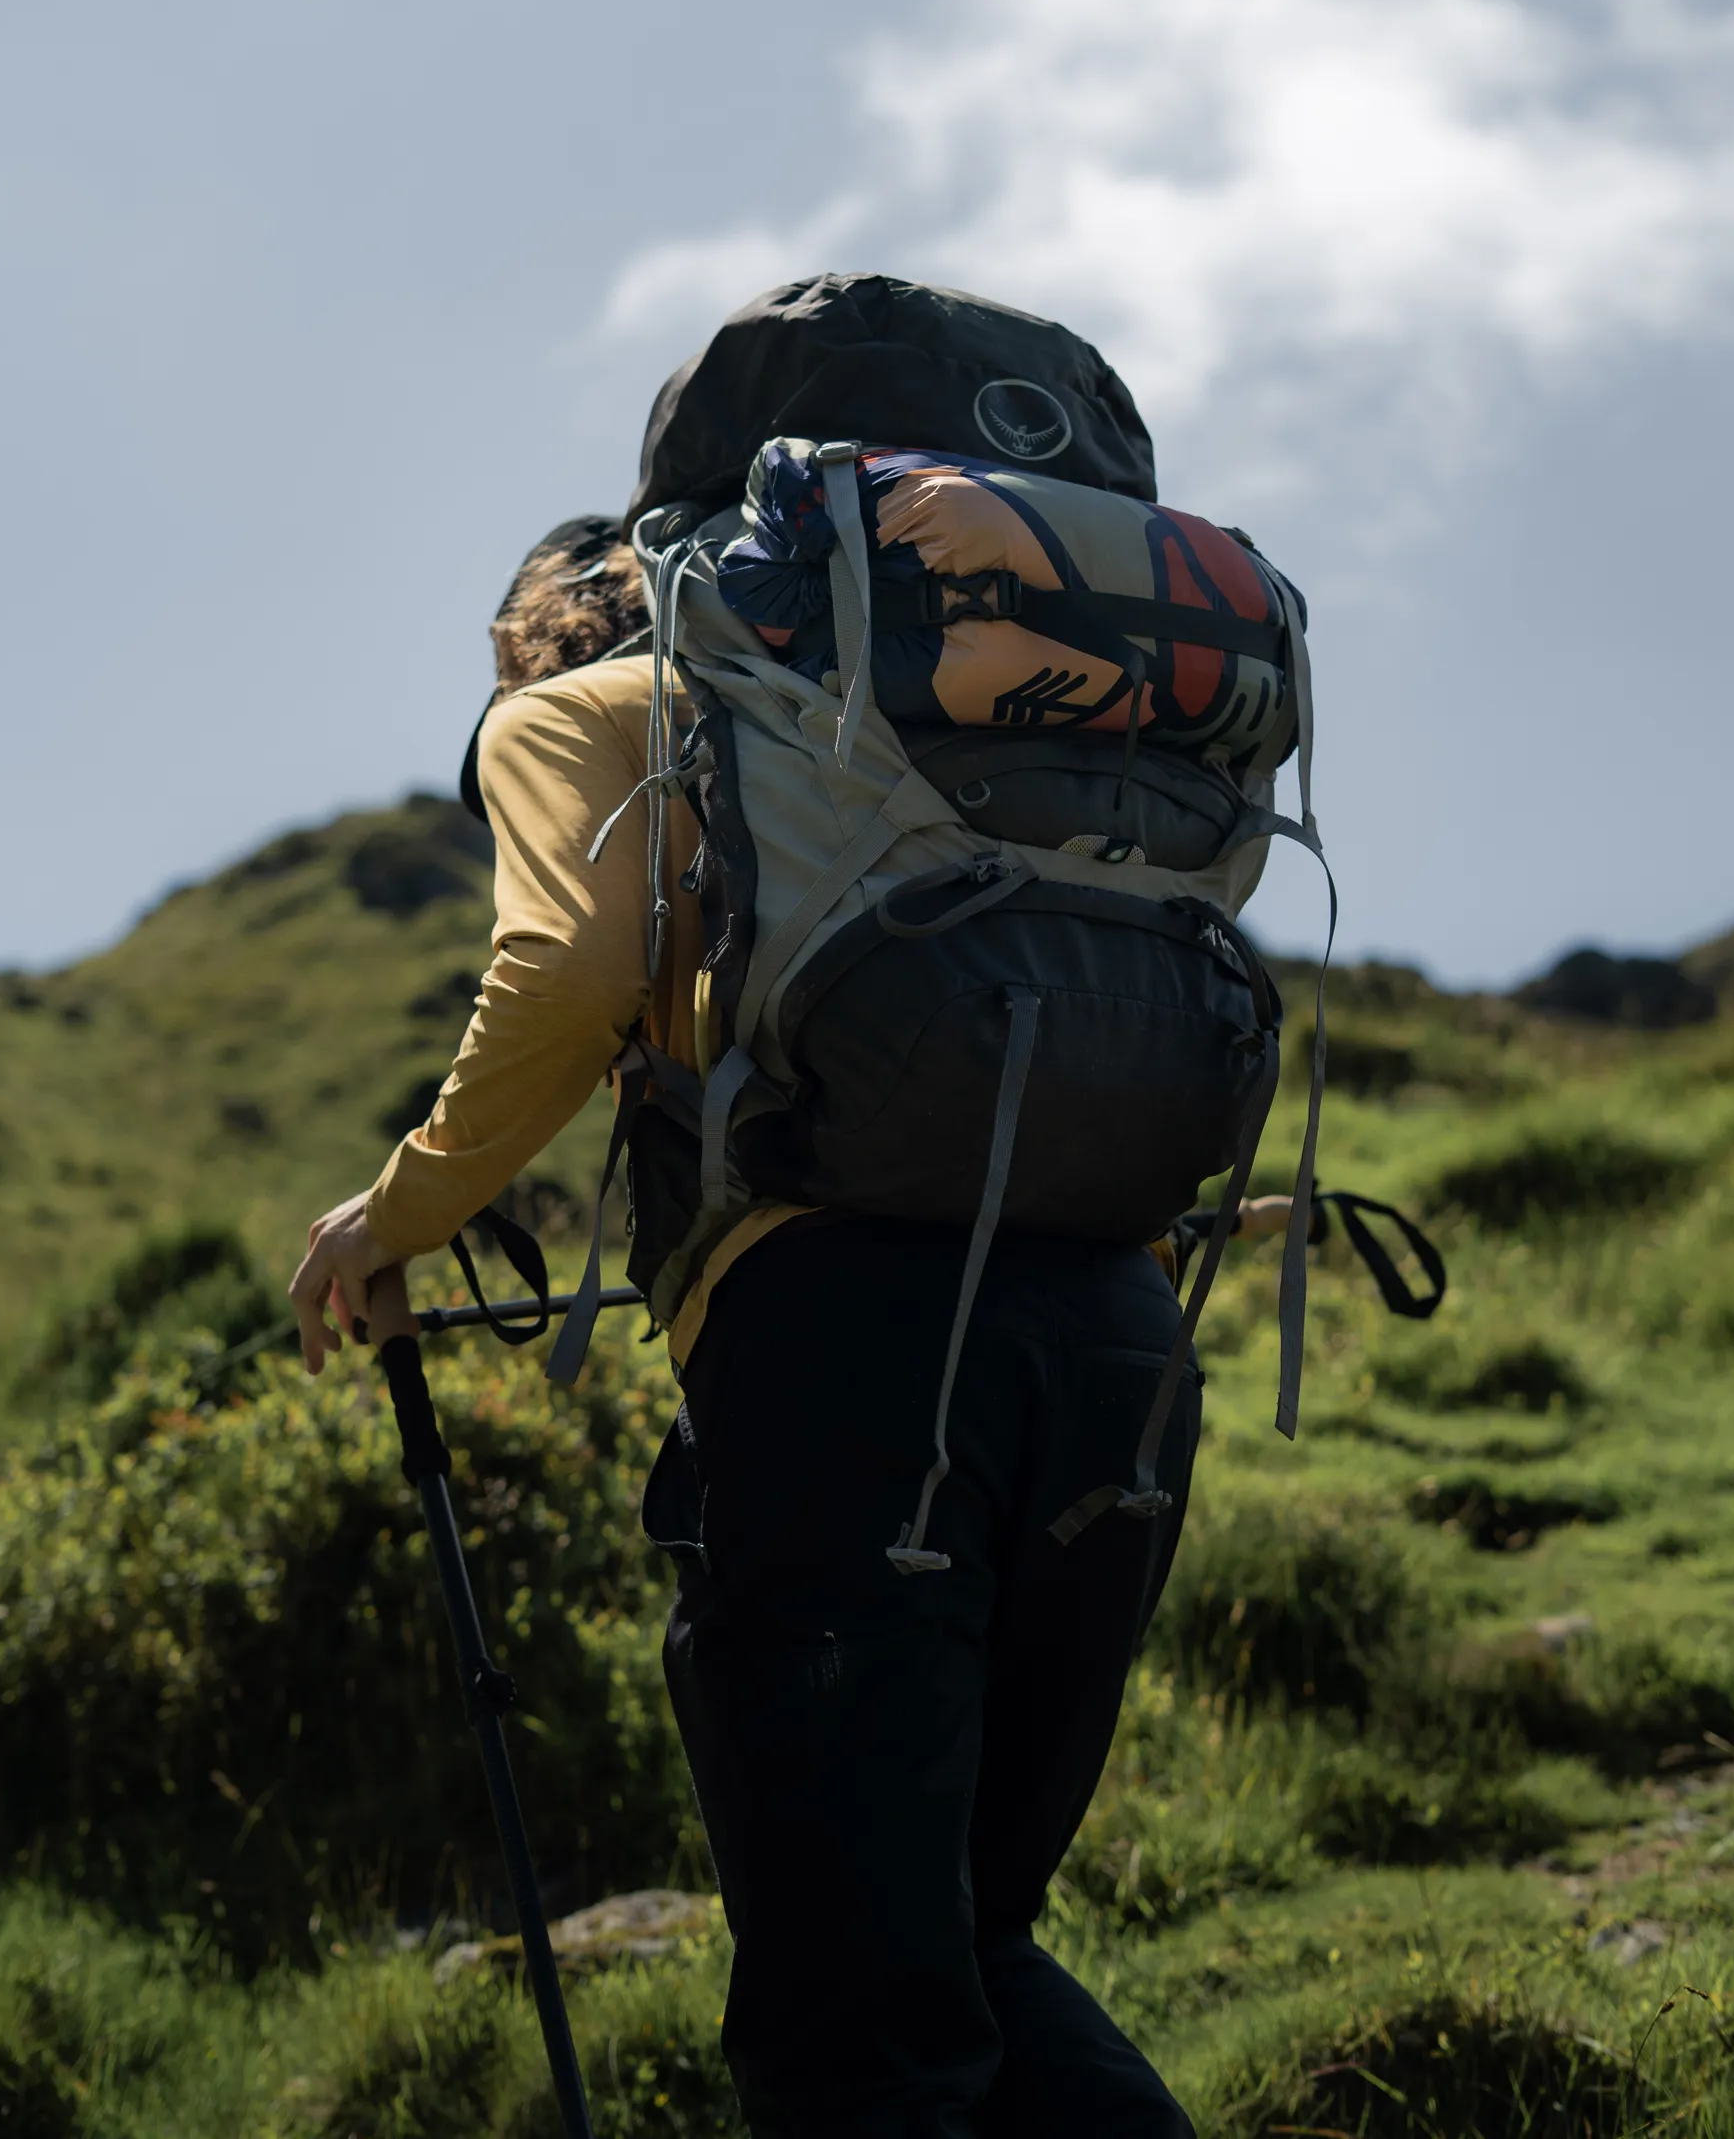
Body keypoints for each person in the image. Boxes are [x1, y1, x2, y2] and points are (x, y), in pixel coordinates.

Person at [289, 509, 1287, 2137]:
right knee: (965, 1946)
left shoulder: (584, 712)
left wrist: (394, 1212)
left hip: (855, 1357)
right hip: (1120, 1341)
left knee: (857, 2023)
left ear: (534, 632)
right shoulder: (920, 717)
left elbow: (567, 968)